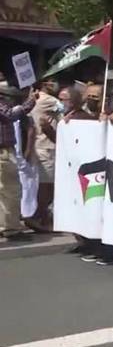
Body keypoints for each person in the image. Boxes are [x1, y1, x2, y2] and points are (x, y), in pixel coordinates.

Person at [0, 85, 35, 240]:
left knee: (4, 192)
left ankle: (5, 225)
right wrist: (29, 103)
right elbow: (9, 115)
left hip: (5, 151)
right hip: (3, 152)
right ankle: (11, 229)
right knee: (11, 191)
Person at [27, 78, 60, 232]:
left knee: (44, 184)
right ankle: (38, 216)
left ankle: (43, 217)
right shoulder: (48, 100)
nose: (56, 84)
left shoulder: (32, 98)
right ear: (44, 84)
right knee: (46, 185)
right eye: (52, 81)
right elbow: (67, 105)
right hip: (46, 147)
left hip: (40, 146)